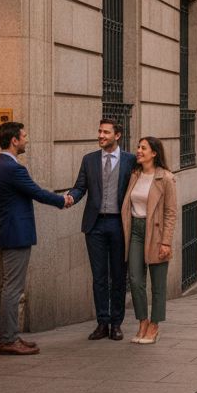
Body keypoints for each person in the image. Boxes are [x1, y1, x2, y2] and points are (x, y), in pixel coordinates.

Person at [0, 121, 67, 355]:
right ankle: (9, 340)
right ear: (14, 140)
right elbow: (37, 193)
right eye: (24, 136)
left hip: (2, 232)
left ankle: (5, 336)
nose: (26, 139)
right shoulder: (14, 169)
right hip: (16, 235)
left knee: (3, 287)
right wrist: (63, 200)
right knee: (12, 288)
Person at [66, 119, 137, 341]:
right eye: (99, 131)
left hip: (119, 224)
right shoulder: (89, 160)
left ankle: (116, 323)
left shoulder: (130, 160)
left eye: (106, 132)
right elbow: (80, 187)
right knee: (99, 277)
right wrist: (70, 197)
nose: (101, 135)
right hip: (95, 224)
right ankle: (102, 323)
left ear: (117, 135)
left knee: (118, 275)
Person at [121, 136, 178, 344]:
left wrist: (166, 242)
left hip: (156, 232)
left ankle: (154, 325)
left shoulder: (166, 178)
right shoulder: (135, 175)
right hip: (135, 230)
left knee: (158, 283)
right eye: (138, 147)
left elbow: (171, 213)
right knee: (135, 280)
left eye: (143, 148)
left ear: (154, 153)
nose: (138, 151)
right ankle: (142, 321)